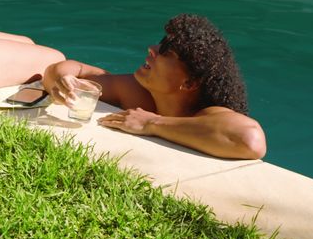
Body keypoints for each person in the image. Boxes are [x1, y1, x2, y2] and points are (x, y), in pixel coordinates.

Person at [42, 14, 266, 160]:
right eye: (160, 41)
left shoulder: (207, 115)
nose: (151, 48)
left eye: (166, 50)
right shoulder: (140, 94)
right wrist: (64, 80)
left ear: (189, 83)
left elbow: (250, 140)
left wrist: (151, 123)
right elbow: (64, 69)